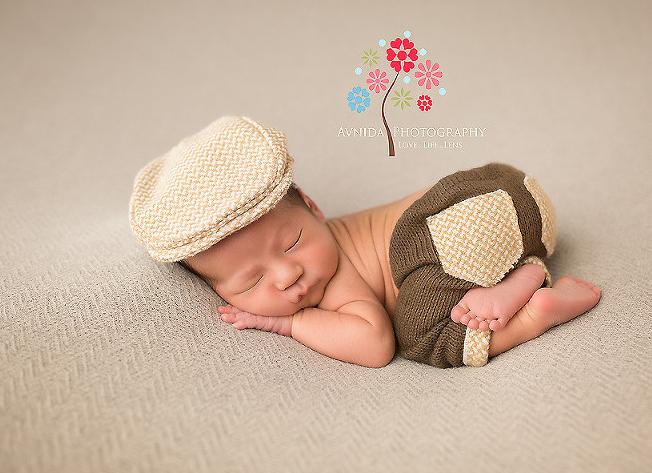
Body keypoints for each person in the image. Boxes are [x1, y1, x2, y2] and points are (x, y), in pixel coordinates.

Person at [130, 116, 601, 368]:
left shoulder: (332, 282)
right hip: (509, 191)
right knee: (429, 269)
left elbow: (375, 344)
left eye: (292, 243)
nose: (288, 275)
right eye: (252, 280)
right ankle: (527, 268)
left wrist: (289, 325)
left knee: (420, 334)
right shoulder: (322, 249)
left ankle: (532, 312)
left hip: (456, 221)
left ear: (313, 207)